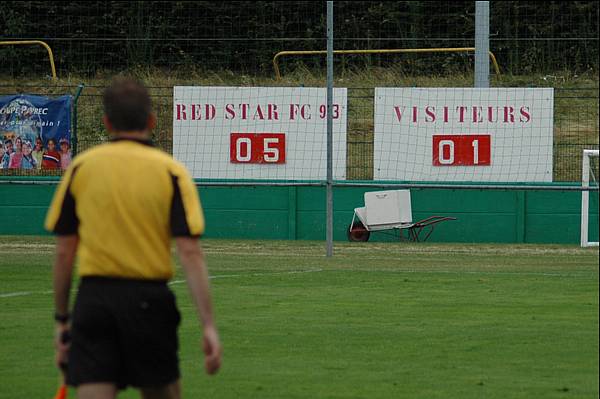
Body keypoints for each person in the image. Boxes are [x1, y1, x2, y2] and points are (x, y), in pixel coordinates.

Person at [45, 78, 221, 399]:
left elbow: (64, 253)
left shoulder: (81, 168)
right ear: (151, 121)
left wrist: (62, 320)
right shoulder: (171, 171)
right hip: (148, 301)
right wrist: (208, 324)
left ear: (107, 122)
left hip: (94, 300)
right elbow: (189, 251)